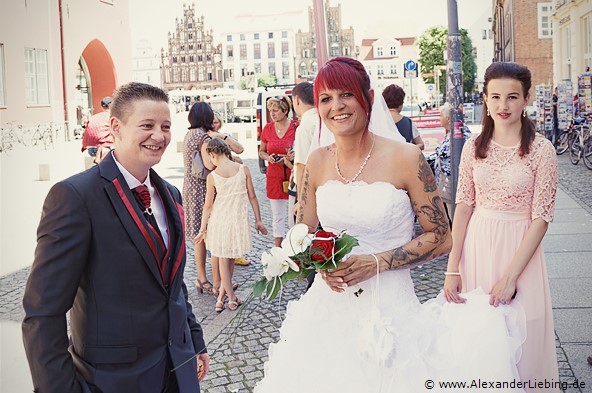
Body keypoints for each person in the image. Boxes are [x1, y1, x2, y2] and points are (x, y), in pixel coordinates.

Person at [255, 58, 528, 392]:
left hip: (391, 309)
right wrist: (317, 261)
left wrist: (377, 262)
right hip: (327, 310)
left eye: (346, 95)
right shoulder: (316, 162)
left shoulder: (406, 159)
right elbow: (304, 233)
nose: (336, 106)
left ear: (367, 98)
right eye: (325, 98)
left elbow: (442, 238)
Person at [22, 82, 209, 393]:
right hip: (112, 380)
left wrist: (195, 341)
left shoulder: (171, 194)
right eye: (146, 125)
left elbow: (173, 285)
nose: (159, 136)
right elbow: (43, 312)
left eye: (165, 126)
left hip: (178, 370)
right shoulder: (75, 197)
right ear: (116, 128)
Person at [444, 61, 560, 390]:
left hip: (520, 252)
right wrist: (453, 267)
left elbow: (542, 218)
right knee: (480, 340)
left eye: (512, 97)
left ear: (526, 99)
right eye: (495, 97)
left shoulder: (542, 151)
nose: (503, 106)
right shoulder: (472, 147)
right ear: (484, 98)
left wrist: (510, 278)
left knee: (524, 336)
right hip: (477, 247)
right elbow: (464, 205)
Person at [195, 138, 268, 312]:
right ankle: (230, 299)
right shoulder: (243, 169)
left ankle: (221, 298)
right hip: (236, 221)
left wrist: (202, 228)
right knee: (229, 258)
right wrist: (258, 220)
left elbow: (208, 206)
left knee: (225, 258)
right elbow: (252, 197)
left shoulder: (212, 176)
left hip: (219, 221)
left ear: (212, 154)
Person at [258, 96, 297, 247]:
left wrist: (291, 157)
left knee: (294, 214)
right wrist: (269, 157)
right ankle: (278, 247)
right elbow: (261, 151)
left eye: (275, 110)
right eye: (270, 111)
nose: (272, 114)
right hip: (274, 175)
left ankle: (295, 244)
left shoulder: (296, 127)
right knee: (277, 214)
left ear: (285, 110)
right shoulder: (268, 128)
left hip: (292, 174)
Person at [434, 102, 472, 225]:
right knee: (452, 216)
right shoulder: (451, 133)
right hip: (448, 181)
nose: (439, 118)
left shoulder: (460, 134)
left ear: (448, 118)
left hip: (454, 182)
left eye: (440, 116)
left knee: (456, 218)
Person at [290, 82, 319, 226]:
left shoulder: (305, 127)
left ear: (296, 100)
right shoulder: (322, 120)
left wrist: (301, 202)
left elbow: (301, 166)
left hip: (310, 188)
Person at [382, 83, 425, 149]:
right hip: (405, 158)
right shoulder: (408, 123)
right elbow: (421, 144)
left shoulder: (377, 121)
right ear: (401, 103)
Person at [81, 96, 114, 164]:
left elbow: (85, 132)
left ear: (102, 107)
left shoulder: (94, 117)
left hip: (90, 149)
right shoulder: (112, 117)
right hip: (105, 149)